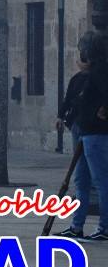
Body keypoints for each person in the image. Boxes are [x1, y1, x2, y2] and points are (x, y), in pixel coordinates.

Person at [69, 30, 108, 241]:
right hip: (87, 132)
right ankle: (77, 226)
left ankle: (105, 227)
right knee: (81, 180)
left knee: (101, 181)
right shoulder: (94, 71)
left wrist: (102, 110)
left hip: (95, 133)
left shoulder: (100, 71)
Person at [55, 37, 93, 238]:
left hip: (88, 129)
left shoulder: (92, 79)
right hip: (79, 127)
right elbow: (69, 99)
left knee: (86, 177)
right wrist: (61, 116)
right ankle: (77, 225)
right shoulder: (78, 79)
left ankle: (81, 225)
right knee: (81, 177)